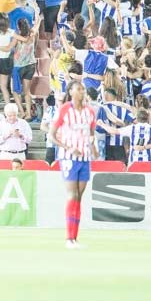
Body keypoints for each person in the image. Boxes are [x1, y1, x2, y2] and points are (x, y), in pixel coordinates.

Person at [49, 80, 97, 248]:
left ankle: (74, 238)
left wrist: (94, 148)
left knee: (79, 197)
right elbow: (52, 135)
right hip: (69, 157)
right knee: (72, 195)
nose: (82, 91)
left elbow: (91, 134)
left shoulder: (90, 112)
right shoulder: (64, 110)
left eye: (83, 89)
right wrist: (69, 147)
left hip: (85, 158)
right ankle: (69, 238)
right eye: (78, 89)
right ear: (70, 92)